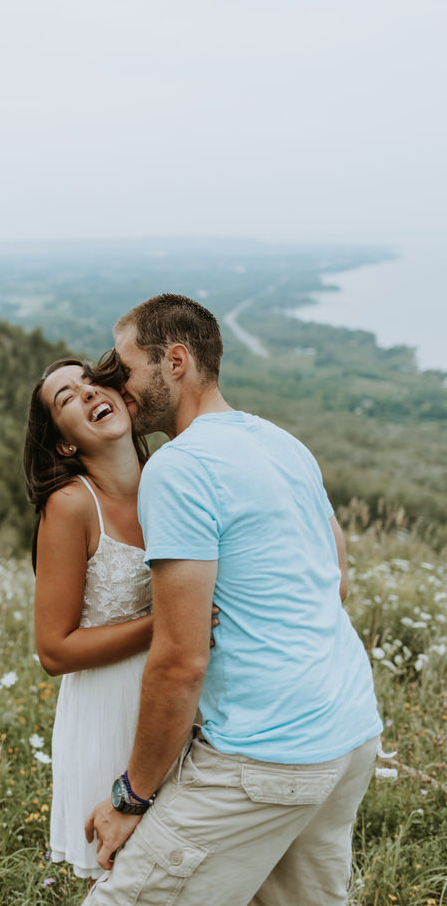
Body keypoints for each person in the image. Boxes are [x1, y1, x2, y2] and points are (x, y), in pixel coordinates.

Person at [84, 294, 383, 906]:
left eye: (125, 367)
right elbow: (338, 582)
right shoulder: (280, 442)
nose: (116, 385)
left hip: (264, 758)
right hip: (350, 732)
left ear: (174, 361)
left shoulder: (178, 469)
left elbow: (179, 662)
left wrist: (130, 797)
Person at [23, 356, 153, 883]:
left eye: (90, 383)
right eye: (66, 398)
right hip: (108, 716)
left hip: (180, 703)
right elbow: (54, 652)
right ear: (65, 444)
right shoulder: (71, 506)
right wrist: (166, 622)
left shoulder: (170, 479)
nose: (86, 393)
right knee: (129, 882)